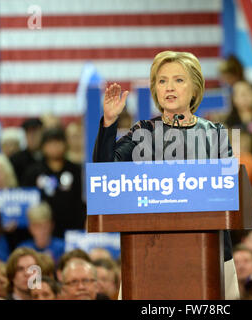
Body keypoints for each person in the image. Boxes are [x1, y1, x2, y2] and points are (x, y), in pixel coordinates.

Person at [93, 50, 239, 299]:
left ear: (195, 89)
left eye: (178, 80)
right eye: (162, 81)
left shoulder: (215, 133)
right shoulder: (144, 132)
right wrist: (109, 122)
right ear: (155, 89)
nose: (169, 87)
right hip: (147, 254)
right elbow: (105, 175)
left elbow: (227, 194)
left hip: (208, 253)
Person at [22, 128, 86, 238]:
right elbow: (26, 200)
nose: (55, 147)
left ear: (65, 144)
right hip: (42, 231)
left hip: (73, 228)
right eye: (50, 143)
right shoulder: (33, 172)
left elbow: (83, 200)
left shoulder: (76, 170)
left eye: (58, 142)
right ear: (43, 146)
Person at [10, 118, 43, 185]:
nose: (32, 137)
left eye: (35, 133)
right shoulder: (16, 159)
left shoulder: (50, 157)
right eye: (28, 133)